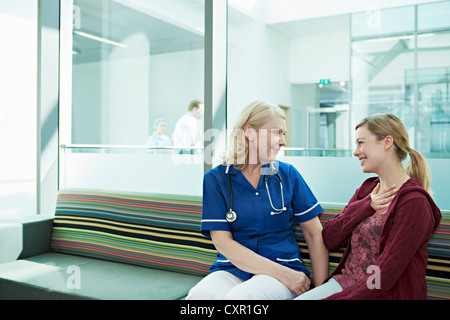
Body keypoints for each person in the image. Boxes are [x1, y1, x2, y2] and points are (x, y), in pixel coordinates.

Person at [186, 100, 328, 300]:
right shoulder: (216, 179)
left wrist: (320, 293)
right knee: (198, 297)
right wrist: (284, 275)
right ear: (249, 132)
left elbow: (314, 235)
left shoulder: (287, 175)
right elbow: (223, 243)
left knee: (242, 299)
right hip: (234, 269)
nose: (283, 141)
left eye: (284, 134)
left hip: (284, 265)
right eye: (277, 132)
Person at [295, 113, 442, 300]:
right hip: (344, 284)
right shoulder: (367, 189)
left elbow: (384, 276)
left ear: (387, 142)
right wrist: (367, 205)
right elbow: (330, 238)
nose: (355, 151)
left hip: (382, 293)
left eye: (361, 142)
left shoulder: (415, 203)